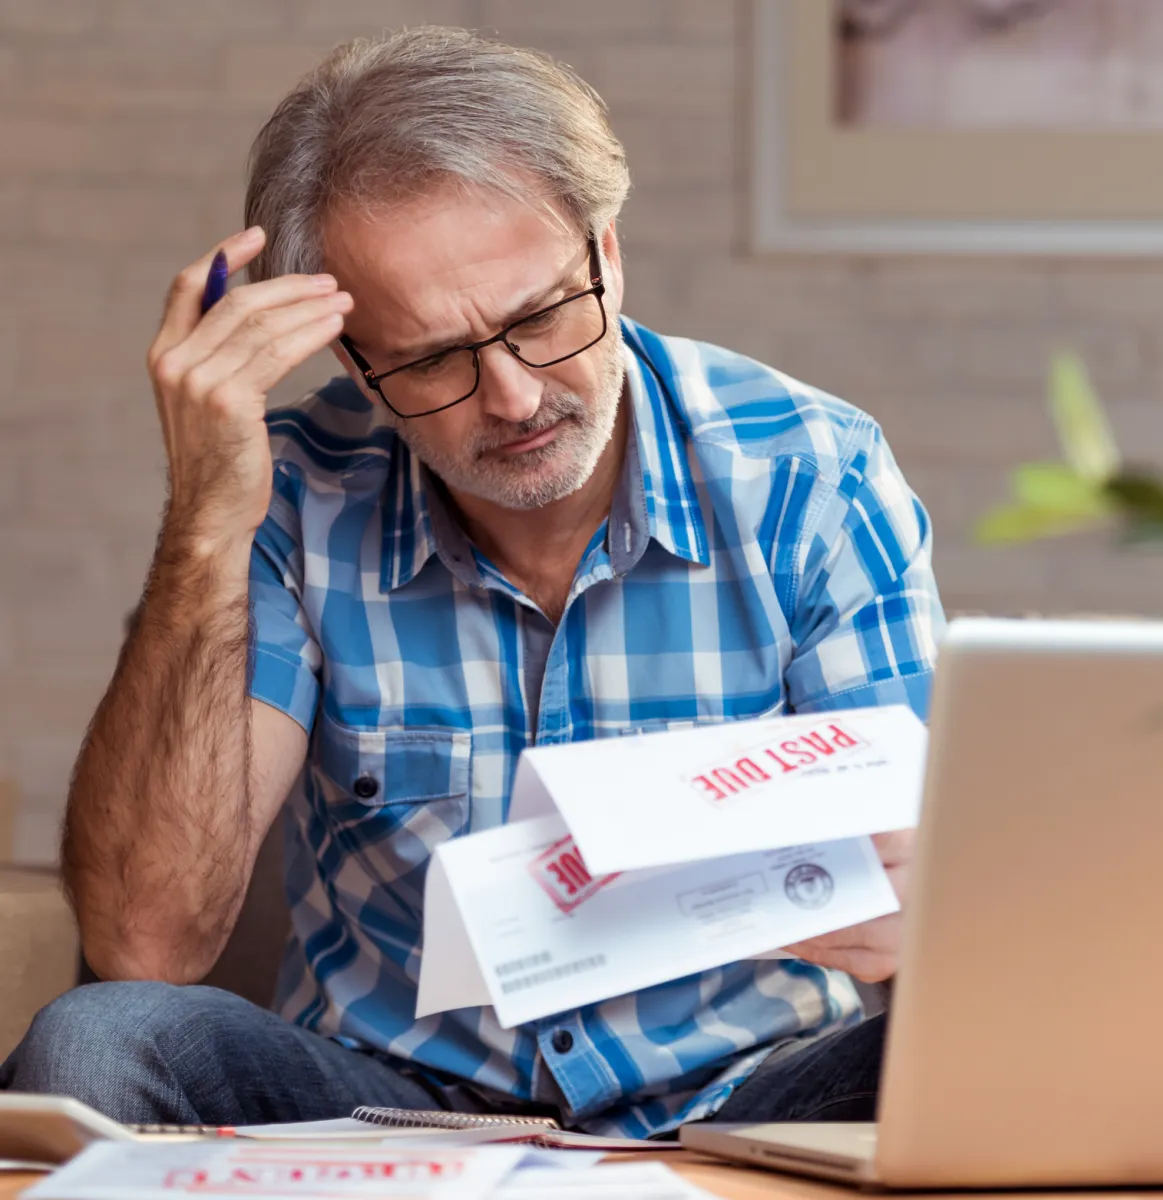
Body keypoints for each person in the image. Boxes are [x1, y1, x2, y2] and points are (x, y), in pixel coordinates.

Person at [1, 27, 943, 1137]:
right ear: (353, 357)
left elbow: (948, 903)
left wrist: (927, 912)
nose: (512, 396)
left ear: (608, 251)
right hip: (387, 1101)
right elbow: (148, 946)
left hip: (750, 1090)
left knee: (1008, 1035)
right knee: (95, 1041)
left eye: (542, 316)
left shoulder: (811, 473)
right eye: (437, 357)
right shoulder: (295, 495)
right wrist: (206, 521)